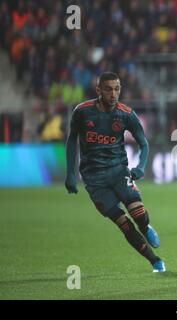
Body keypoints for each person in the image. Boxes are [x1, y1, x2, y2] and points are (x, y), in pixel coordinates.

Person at [65, 71, 165, 273]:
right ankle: (155, 261)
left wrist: (140, 167)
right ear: (98, 90)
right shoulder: (82, 111)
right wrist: (70, 173)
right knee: (124, 224)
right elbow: (71, 140)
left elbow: (143, 144)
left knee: (137, 211)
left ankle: (146, 227)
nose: (113, 94)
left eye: (117, 89)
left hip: (118, 170)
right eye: (108, 89)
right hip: (94, 179)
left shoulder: (126, 114)